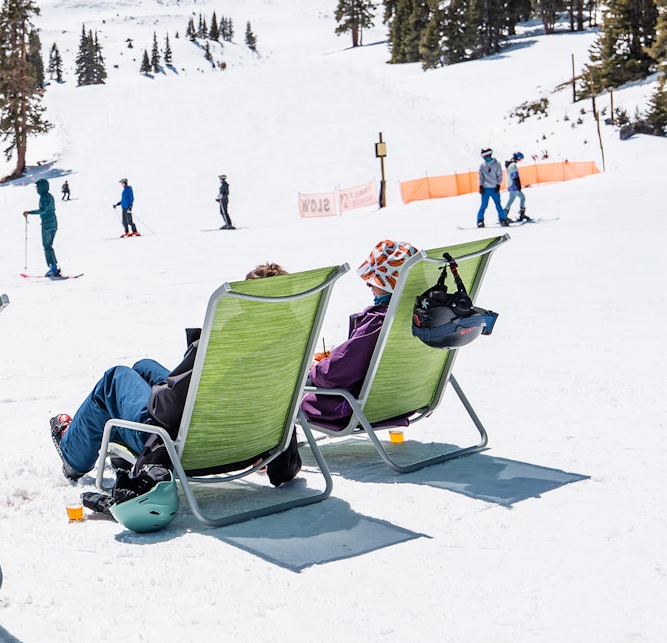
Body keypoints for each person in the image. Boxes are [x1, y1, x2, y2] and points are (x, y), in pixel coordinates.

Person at [49, 263, 302, 488]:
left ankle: (73, 456)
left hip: (184, 446)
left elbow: (167, 410)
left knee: (115, 379)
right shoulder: (291, 344)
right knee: (143, 365)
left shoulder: (226, 346)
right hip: (250, 442)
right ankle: (115, 447)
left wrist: (161, 390)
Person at [300, 239, 418, 428]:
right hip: (401, 402)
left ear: (388, 284)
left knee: (298, 397)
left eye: (373, 281)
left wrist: (315, 369)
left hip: (356, 408)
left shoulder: (380, 321)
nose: (369, 287)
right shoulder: (423, 318)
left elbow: (334, 373)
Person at [22, 178, 61, 277]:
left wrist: (29, 212)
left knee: (47, 246)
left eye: (37, 187)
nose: (36, 189)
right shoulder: (50, 196)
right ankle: (55, 267)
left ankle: (52, 268)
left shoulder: (43, 197)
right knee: (49, 246)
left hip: (47, 224)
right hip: (54, 223)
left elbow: (43, 210)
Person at [476, 148, 510, 228]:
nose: (485, 157)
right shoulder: (482, 166)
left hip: (494, 188)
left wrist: (498, 185)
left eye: (485, 155)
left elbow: (500, 175)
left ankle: (503, 219)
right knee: (483, 205)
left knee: (498, 205)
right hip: (485, 189)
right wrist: (480, 186)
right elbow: (481, 177)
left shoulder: (497, 164)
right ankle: (480, 221)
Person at [504, 151, 529, 222]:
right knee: (511, 200)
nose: (520, 161)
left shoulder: (510, 164)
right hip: (514, 186)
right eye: (520, 159)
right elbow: (515, 176)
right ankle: (504, 215)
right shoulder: (513, 165)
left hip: (512, 185)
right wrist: (518, 186)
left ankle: (522, 213)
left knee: (522, 198)